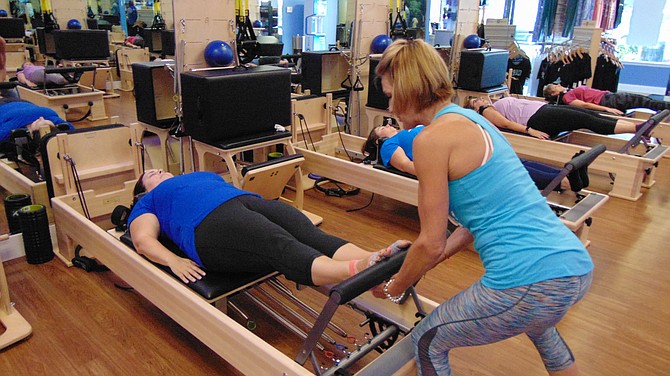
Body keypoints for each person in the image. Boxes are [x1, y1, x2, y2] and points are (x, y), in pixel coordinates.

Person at [374, 39, 593, 376]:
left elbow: (429, 243)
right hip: (572, 267)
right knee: (539, 325)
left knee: (427, 340)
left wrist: (393, 287)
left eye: (390, 96)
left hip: (528, 279)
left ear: (409, 90)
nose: (390, 108)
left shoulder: (431, 139)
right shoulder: (473, 121)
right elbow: (473, 222)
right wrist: (428, 257)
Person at [128, 170, 408, 286]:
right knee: (279, 244)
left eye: (159, 169)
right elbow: (142, 240)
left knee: (307, 233)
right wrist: (173, 260)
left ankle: (373, 256)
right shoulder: (149, 201)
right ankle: (353, 272)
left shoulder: (196, 175)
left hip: (246, 202)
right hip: (209, 225)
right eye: (149, 174)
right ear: (145, 190)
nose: (158, 171)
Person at [363, 123, 588, 192]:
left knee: (515, 162)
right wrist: (437, 176)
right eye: (381, 128)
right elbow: (404, 165)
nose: (388, 125)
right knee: (510, 170)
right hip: (456, 160)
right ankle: (566, 182)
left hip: (460, 147)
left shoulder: (405, 131)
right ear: (376, 139)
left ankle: (568, 174)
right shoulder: (388, 145)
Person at [466, 96, 644, 139]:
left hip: (544, 110)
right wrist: (531, 131)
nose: (479, 99)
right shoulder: (486, 111)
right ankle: (636, 129)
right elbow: (505, 123)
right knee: (586, 120)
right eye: (475, 101)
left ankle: (638, 127)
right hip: (538, 119)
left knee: (589, 114)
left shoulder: (495, 101)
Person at [544, 83, 670, 115]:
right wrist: (607, 108)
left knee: (647, 101)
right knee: (648, 102)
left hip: (610, 97)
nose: (560, 85)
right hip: (608, 101)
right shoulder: (567, 97)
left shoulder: (568, 93)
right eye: (556, 86)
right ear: (554, 93)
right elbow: (584, 105)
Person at [0, 98, 72, 142]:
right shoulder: (54, 119)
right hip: (23, 103)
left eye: (39, 122)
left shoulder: (10, 128)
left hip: (4, 105)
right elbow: (77, 134)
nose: (41, 118)